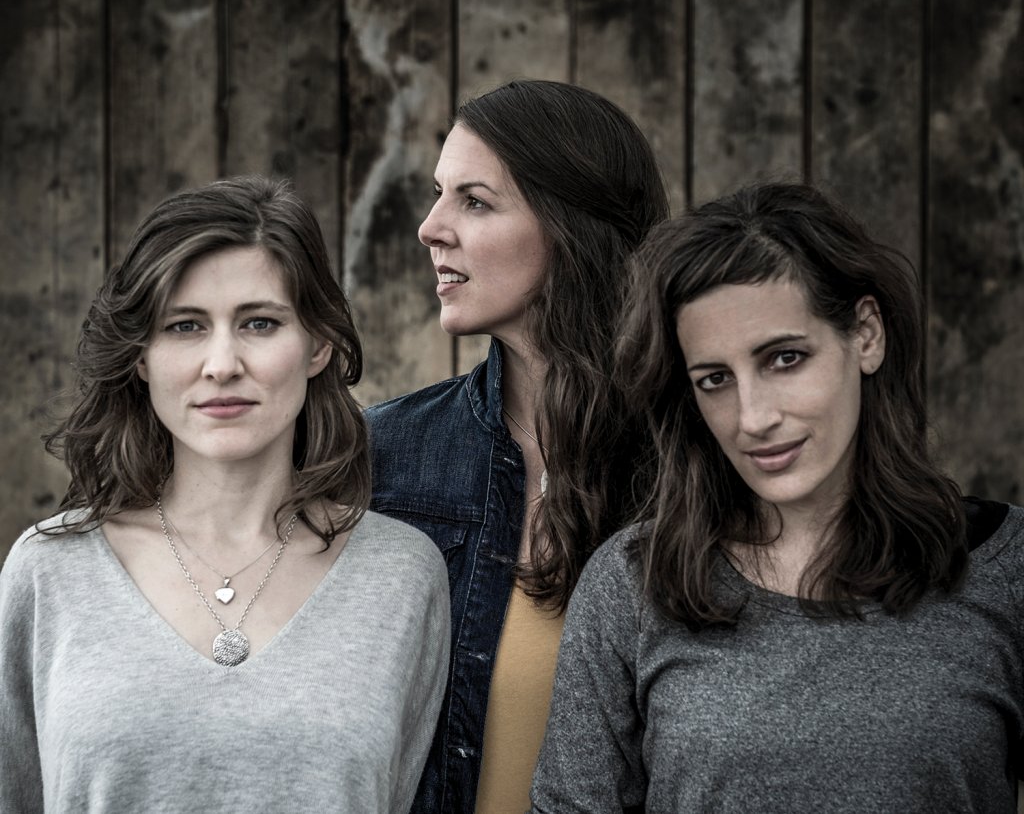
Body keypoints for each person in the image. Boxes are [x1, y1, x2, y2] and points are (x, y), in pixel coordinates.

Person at [529, 181, 1023, 813]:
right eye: (715, 379)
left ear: (866, 335)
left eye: (785, 359)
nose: (752, 417)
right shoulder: (635, 582)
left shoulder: (1007, 571)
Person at [0, 176, 449, 813]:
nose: (221, 363)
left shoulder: (402, 575)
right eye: (184, 327)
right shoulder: (50, 571)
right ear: (141, 357)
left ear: (317, 344)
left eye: (259, 323)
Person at [366, 79, 670, 814]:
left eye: (475, 201)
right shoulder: (387, 455)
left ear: (569, 225)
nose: (430, 228)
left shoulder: (694, 459)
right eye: (440, 195)